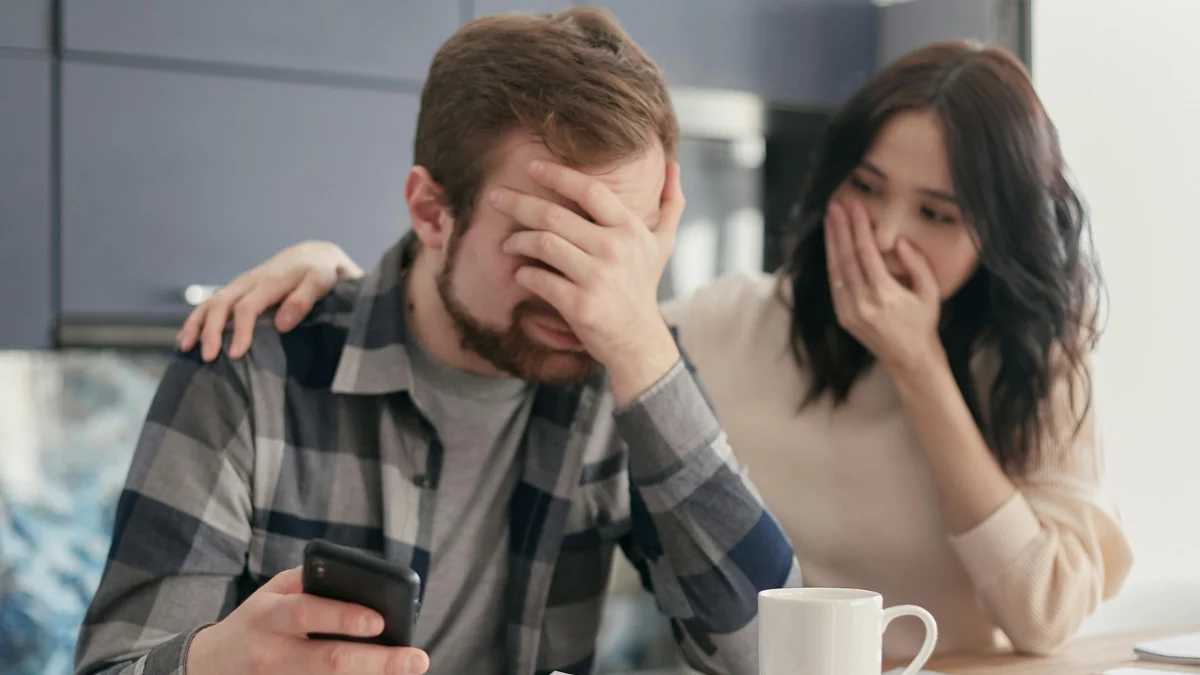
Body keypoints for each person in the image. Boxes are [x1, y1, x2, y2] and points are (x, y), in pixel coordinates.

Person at [184, 40, 1136, 658]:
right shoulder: (726, 324)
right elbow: (498, 308)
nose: (885, 238)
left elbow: (1041, 613)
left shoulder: (1035, 365)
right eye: (866, 189)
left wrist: (919, 365)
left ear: (995, 234)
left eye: (936, 214)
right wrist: (343, 280)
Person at [75, 9, 803, 675]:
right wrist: (208, 663)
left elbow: (775, 657)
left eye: (617, 246)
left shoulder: (627, 368)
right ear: (431, 211)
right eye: (546, 243)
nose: (584, 296)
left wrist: (642, 344)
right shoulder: (250, 367)